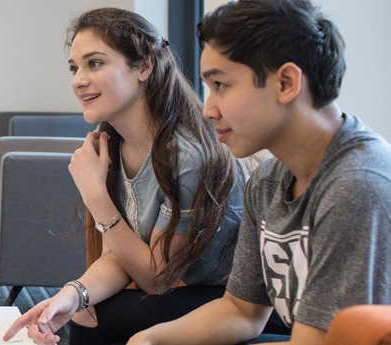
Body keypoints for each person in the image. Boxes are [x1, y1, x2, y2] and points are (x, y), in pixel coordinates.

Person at [128, 0, 391, 344]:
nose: (208, 109)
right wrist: (150, 340)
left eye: (220, 85)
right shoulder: (268, 180)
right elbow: (242, 311)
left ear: (285, 83)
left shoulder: (356, 185)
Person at [3, 8, 249, 345]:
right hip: (183, 285)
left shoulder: (186, 155)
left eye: (95, 63)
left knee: (100, 315)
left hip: (237, 301)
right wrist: (72, 294)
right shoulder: (114, 145)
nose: (78, 80)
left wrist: (95, 194)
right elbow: (118, 255)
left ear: (145, 66)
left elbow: (156, 278)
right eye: (75, 68)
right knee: (85, 308)